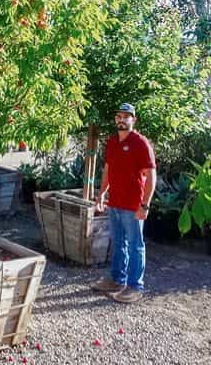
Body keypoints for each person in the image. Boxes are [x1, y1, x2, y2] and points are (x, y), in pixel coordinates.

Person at [91, 103, 156, 303]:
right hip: (114, 203)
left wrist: (145, 204)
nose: (121, 119)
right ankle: (117, 280)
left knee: (136, 245)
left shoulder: (141, 143)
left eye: (126, 116)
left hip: (133, 206)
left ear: (133, 120)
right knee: (118, 243)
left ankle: (135, 287)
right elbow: (108, 170)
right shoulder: (111, 142)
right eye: (118, 116)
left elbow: (151, 175)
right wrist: (102, 194)